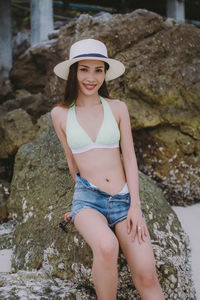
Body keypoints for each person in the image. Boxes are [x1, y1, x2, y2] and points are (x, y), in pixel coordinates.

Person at [51, 38, 165, 300]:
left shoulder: (118, 108)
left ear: (105, 73)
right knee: (106, 245)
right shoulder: (59, 114)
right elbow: (72, 162)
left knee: (147, 275)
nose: (91, 77)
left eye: (98, 70)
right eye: (84, 69)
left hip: (124, 200)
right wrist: (77, 204)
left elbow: (129, 159)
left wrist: (135, 206)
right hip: (88, 201)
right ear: (73, 72)